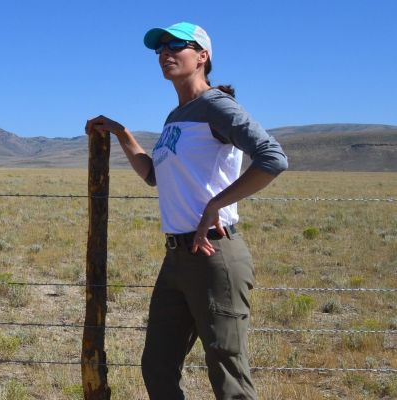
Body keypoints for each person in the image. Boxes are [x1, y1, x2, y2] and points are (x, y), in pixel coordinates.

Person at [85, 21, 288, 400]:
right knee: (157, 365)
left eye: (176, 45)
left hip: (215, 254)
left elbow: (273, 159)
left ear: (202, 56)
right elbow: (154, 176)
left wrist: (216, 205)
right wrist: (122, 134)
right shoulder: (175, 117)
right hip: (177, 258)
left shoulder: (217, 106)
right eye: (160, 49)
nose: (165, 53)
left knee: (227, 372)